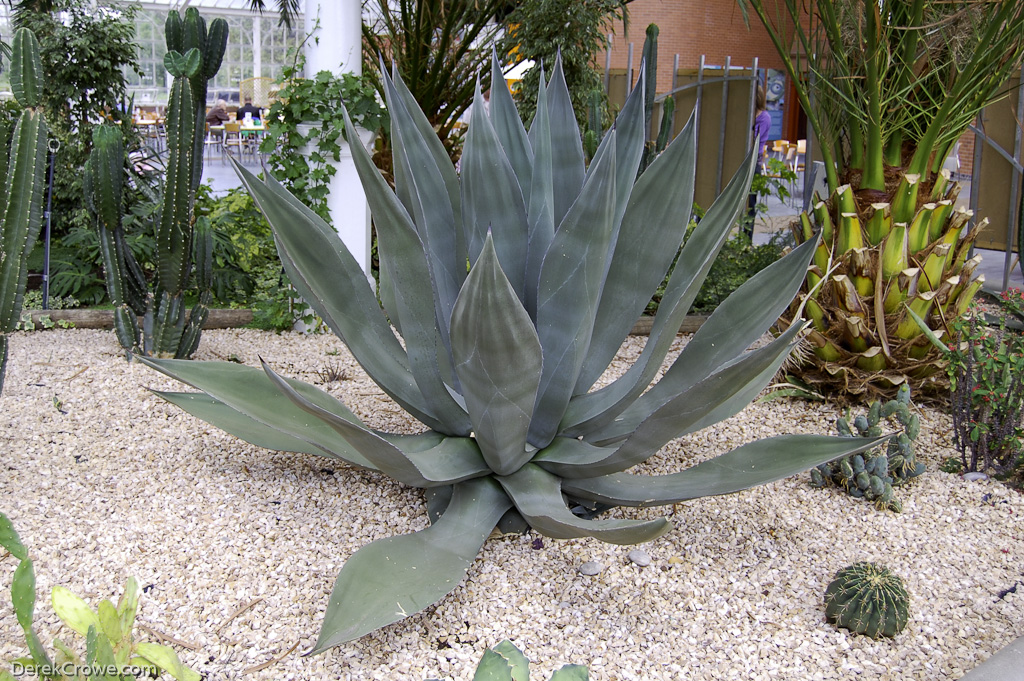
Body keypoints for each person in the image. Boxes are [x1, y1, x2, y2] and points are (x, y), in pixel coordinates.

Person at [745, 85, 772, 240]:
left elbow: (754, 140)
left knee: (750, 203)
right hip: (742, 162)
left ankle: (747, 238)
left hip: (754, 163)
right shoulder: (746, 115)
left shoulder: (764, 118)